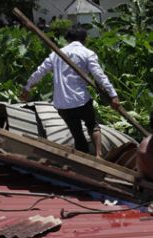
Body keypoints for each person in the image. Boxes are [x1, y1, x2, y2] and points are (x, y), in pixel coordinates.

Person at [20, 26, 120, 158]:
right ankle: (98, 154)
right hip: (81, 100)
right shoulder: (87, 53)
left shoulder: (56, 53)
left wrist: (27, 88)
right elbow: (99, 76)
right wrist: (113, 95)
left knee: (77, 134)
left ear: (68, 39)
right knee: (93, 126)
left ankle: (83, 159)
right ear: (84, 39)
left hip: (63, 104)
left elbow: (40, 72)